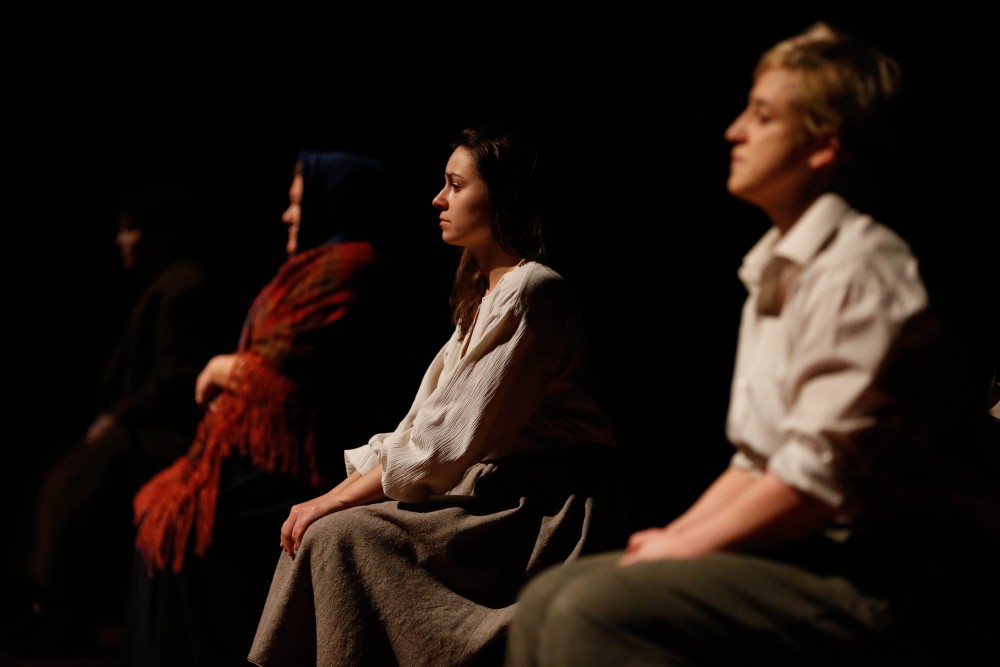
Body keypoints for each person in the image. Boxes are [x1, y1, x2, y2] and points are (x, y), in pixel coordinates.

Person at [504, 22, 1000, 667]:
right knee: (549, 597)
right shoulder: (778, 267)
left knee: (589, 610)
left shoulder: (857, 270)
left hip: (889, 569)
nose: (734, 130)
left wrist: (684, 551)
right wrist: (671, 536)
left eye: (762, 116)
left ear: (822, 146)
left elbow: (814, 481)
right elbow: (757, 462)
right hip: (814, 543)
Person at [246, 124, 621, 667]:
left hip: (534, 512)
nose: (438, 199)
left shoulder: (532, 289)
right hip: (488, 493)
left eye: (455, 185)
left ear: (500, 195)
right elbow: (417, 429)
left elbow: (440, 447)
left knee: (337, 534)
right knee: (320, 529)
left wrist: (331, 502)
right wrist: (325, 499)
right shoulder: (483, 299)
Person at [122, 150, 409, 667]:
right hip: (268, 449)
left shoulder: (351, 266)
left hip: (305, 456)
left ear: (330, 200)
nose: (287, 215)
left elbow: (283, 372)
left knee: (191, 526)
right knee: (162, 509)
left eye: (298, 202)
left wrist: (220, 368)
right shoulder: (307, 268)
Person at [2, 185, 235, 657]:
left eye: (130, 229)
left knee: (77, 483)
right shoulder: (163, 285)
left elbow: (174, 380)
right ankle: (49, 603)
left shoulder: (184, 286)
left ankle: (61, 610)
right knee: (63, 473)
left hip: (170, 434)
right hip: (146, 426)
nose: (120, 240)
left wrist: (115, 419)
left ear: (158, 234)